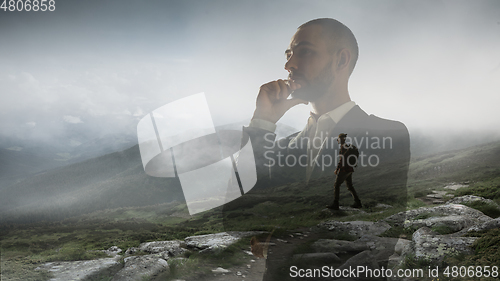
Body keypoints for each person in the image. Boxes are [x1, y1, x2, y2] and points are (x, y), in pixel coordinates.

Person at [327, 133, 362, 210]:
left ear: (341, 139)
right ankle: (358, 202)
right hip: (350, 169)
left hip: (344, 169)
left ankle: (336, 204)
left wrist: (337, 169)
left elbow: (342, 159)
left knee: (336, 185)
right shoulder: (348, 146)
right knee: (350, 186)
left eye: (338, 139)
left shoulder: (343, 147)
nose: (337, 140)